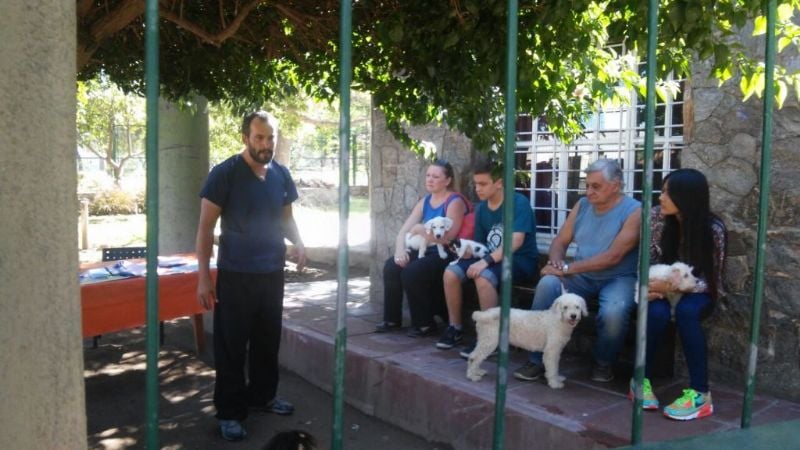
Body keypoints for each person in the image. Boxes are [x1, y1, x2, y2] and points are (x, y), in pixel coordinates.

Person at [196, 111, 307, 441]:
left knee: (266, 340)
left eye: (270, 137)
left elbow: (286, 219)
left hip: (272, 273)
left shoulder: (281, 175)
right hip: (236, 275)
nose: (266, 144)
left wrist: (298, 242)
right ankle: (230, 411)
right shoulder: (224, 174)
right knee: (232, 346)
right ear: (245, 137)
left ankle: (262, 397)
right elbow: (204, 228)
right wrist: (204, 277)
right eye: (259, 137)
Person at [514, 158, 640, 383]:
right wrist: (555, 265)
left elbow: (614, 257)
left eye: (596, 186)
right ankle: (536, 359)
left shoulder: (634, 211)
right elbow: (560, 242)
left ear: (616, 185)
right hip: (581, 276)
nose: (589, 192)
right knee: (547, 285)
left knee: (614, 312)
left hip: (618, 277)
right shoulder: (582, 206)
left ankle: (603, 363)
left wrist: (566, 268)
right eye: (587, 185)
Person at [631, 168, 726, 421]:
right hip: (657, 283)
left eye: (667, 193)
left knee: (687, 311)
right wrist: (648, 288)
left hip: (698, 291)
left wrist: (677, 288)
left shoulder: (713, 230)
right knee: (656, 311)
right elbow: (644, 264)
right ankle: (641, 379)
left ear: (687, 197)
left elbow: (714, 283)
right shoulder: (655, 219)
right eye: (662, 191)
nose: (660, 198)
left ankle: (700, 394)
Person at [436, 159, 539, 354]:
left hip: (520, 261)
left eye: (483, 184)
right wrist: (467, 252)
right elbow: (481, 245)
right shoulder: (482, 208)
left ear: (499, 183)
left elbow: (515, 242)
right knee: (451, 272)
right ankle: (455, 328)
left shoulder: (518, 202)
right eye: (476, 184)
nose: (477, 189)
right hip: (490, 258)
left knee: (483, 277)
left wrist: (485, 261)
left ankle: (490, 338)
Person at [376, 159, 467, 337]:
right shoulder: (425, 201)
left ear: (447, 180)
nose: (430, 180)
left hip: (446, 253)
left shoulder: (454, 201)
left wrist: (420, 230)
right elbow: (404, 230)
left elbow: (448, 238)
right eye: (428, 175)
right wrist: (400, 251)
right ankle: (392, 319)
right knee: (392, 266)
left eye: (435, 176)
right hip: (425, 249)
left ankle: (425, 324)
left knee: (413, 271)